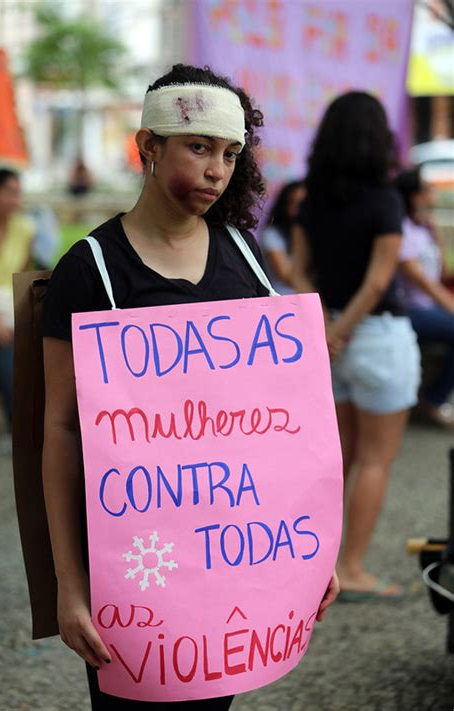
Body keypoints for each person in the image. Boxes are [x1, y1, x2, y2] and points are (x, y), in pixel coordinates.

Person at [41, 64, 339, 710]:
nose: (216, 171)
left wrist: (308, 551)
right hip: (133, 575)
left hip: (230, 573)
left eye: (230, 153)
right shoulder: (90, 272)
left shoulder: (245, 258)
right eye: (198, 146)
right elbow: (61, 432)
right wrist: (69, 585)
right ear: (149, 146)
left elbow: (285, 420)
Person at [292, 91, 421, 601]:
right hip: (375, 338)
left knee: (336, 460)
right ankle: (354, 569)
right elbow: (377, 282)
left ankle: (318, 568)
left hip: (328, 341)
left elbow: (300, 271)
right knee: (374, 460)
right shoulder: (386, 198)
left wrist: (325, 326)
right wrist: (341, 329)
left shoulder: (310, 197)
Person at [395, 167, 454, 428]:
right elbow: (421, 282)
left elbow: (443, 273)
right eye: (427, 188)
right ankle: (434, 399)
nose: (432, 193)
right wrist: (451, 306)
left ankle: (434, 397)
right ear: (415, 195)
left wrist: (437, 235)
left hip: (429, 308)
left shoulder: (422, 228)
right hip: (410, 310)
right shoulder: (401, 229)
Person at [0, 168, 35, 448]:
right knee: (3, 361)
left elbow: (24, 275)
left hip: (8, 311)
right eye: (10, 192)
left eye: (18, 192)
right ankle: (23, 433)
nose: (16, 199)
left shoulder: (24, 229)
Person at [260, 180, 306, 294]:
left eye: (303, 204)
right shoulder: (272, 234)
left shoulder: (311, 232)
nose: (298, 210)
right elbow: (286, 275)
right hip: (285, 299)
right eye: (293, 203)